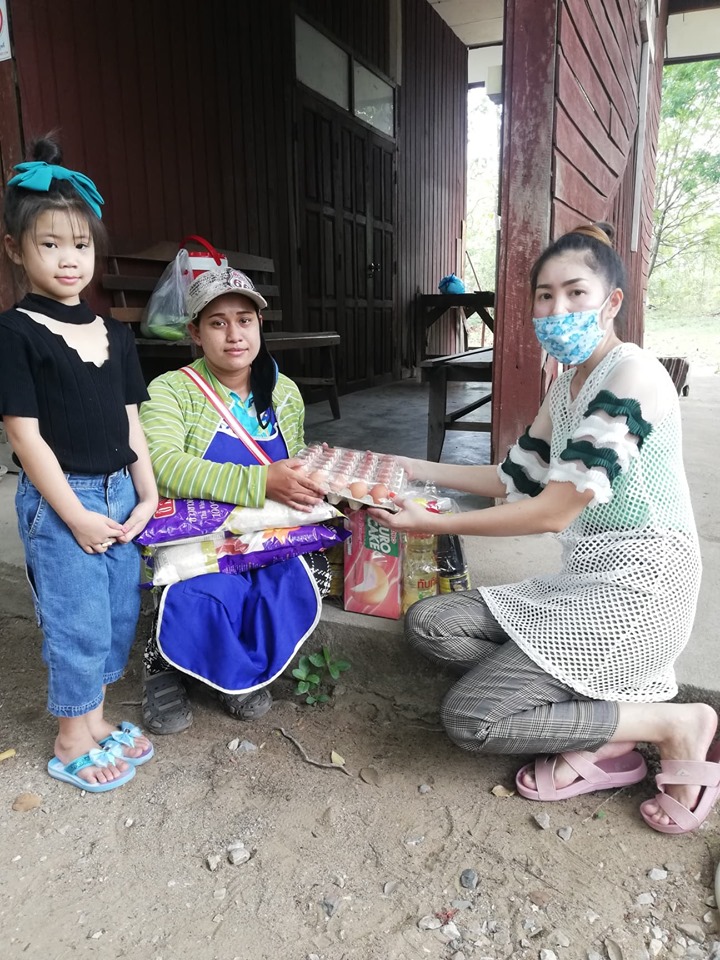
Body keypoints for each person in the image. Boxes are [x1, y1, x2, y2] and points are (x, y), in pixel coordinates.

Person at [372, 223, 718, 836]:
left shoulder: (630, 377)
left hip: (639, 591)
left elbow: (553, 510)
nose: (557, 309)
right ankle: (599, 723)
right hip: (583, 580)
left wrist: (432, 519)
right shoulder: (565, 387)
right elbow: (513, 480)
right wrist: (401, 466)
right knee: (431, 622)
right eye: (544, 295)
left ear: (611, 302)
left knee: (473, 719)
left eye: (575, 293)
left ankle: (674, 724)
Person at [0, 137, 158, 793]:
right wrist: (75, 514)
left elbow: (131, 420)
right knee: (77, 620)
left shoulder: (114, 333)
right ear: (16, 249)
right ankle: (70, 739)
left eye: (81, 245)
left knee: (118, 612)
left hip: (121, 494)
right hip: (63, 502)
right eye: (50, 244)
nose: (70, 260)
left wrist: (146, 496)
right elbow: (26, 437)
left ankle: (93, 721)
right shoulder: (15, 333)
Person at [139, 267, 329, 735]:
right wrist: (260, 482)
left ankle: (240, 669)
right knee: (199, 589)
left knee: (294, 577)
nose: (234, 334)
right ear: (195, 334)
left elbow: (296, 455)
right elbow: (160, 464)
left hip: (266, 527)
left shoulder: (283, 392)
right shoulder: (170, 390)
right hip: (199, 529)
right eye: (217, 323)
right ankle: (160, 667)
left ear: (260, 326)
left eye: (244, 320)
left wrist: (313, 474)